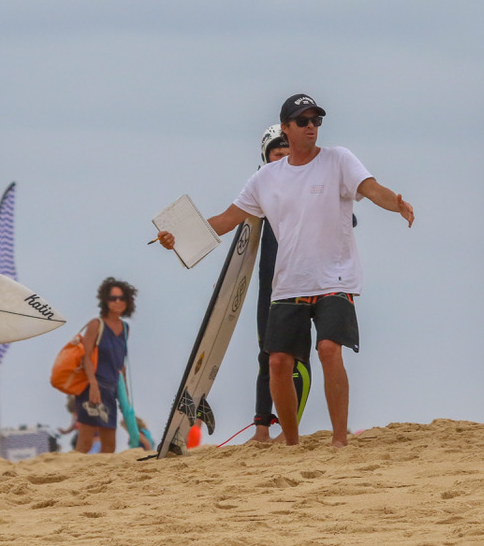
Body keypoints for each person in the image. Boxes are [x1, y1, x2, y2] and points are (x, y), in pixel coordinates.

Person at [158, 94, 414, 448]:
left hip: (335, 277)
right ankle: (291, 443)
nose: (311, 127)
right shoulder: (266, 178)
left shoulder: (338, 159)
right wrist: (179, 238)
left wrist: (396, 204)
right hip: (290, 282)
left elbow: (370, 189)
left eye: (316, 121)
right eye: (303, 121)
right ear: (286, 128)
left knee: (328, 349)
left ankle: (340, 440)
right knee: (277, 361)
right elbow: (227, 219)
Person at [251, 125, 312, 444]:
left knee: (296, 359)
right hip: (267, 286)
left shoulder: (309, 191)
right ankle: (261, 429)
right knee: (266, 356)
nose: (285, 159)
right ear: (266, 157)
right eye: (278, 154)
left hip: (299, 286)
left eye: (290, 154)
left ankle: (291, 429)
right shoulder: (259, 193)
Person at [74, 278, 136, 454]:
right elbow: (85, 357)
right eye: (112, 298)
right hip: (92, 388)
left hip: (111, 390)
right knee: (84, 444)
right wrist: (93, 384)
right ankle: (73, 478)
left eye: (121, 298)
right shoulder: (96, 325)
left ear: (127, 301)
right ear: (105, 300)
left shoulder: (125, 328)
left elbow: (120, 364)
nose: (117, 302)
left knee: (110, 446)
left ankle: (101, 480)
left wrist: (125, 398)